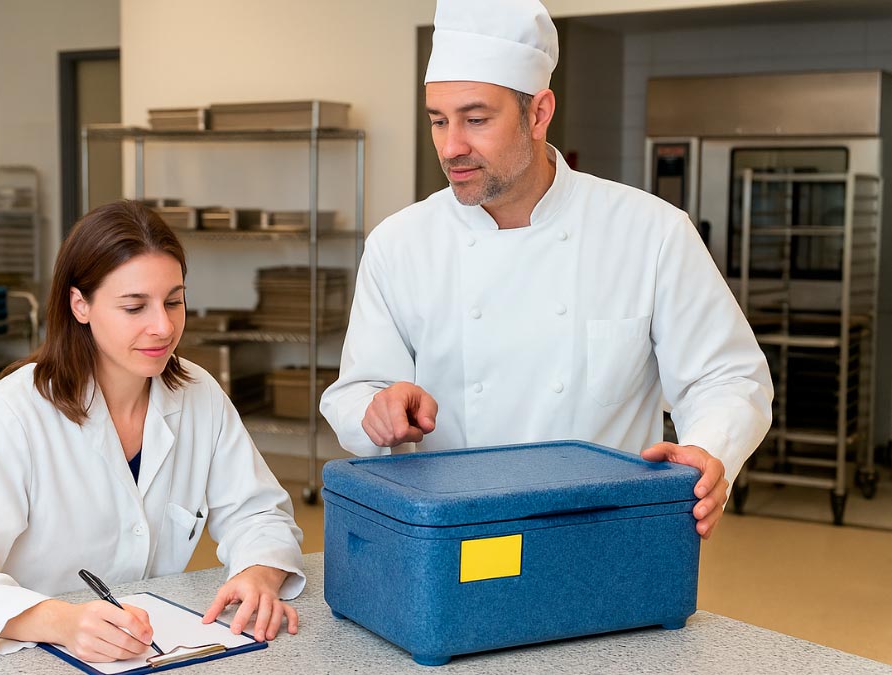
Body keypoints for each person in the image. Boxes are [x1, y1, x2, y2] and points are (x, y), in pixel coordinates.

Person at [319, 0, 773, 540]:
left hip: (608, 534)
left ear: (538, 113)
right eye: (439, 121)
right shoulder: (400, 243)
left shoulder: (650, 232)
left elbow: (727, 376)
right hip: (456, 536)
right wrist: (378, 410)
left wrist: (706, 449)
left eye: (476, 119)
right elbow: (357, 391)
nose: (451, 146)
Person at [0, 200, 304, 661]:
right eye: (135, 306)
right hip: (35, 654)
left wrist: (259, 573)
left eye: (174, 301)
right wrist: (63, 622)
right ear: (80, 305)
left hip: (147, 651)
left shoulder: (198, 394)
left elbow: (259, 514)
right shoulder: (15, 411)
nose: (163, 326)